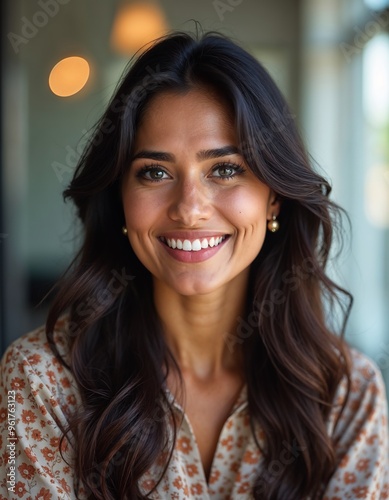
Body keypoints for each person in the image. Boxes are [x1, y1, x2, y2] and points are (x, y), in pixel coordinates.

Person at [0, 31, 388, 500]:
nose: (189, 208)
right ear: (120, 199)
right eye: (155, 172)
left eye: (224, 169)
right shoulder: (39, 380)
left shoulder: (347, 395)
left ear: (274, 200)